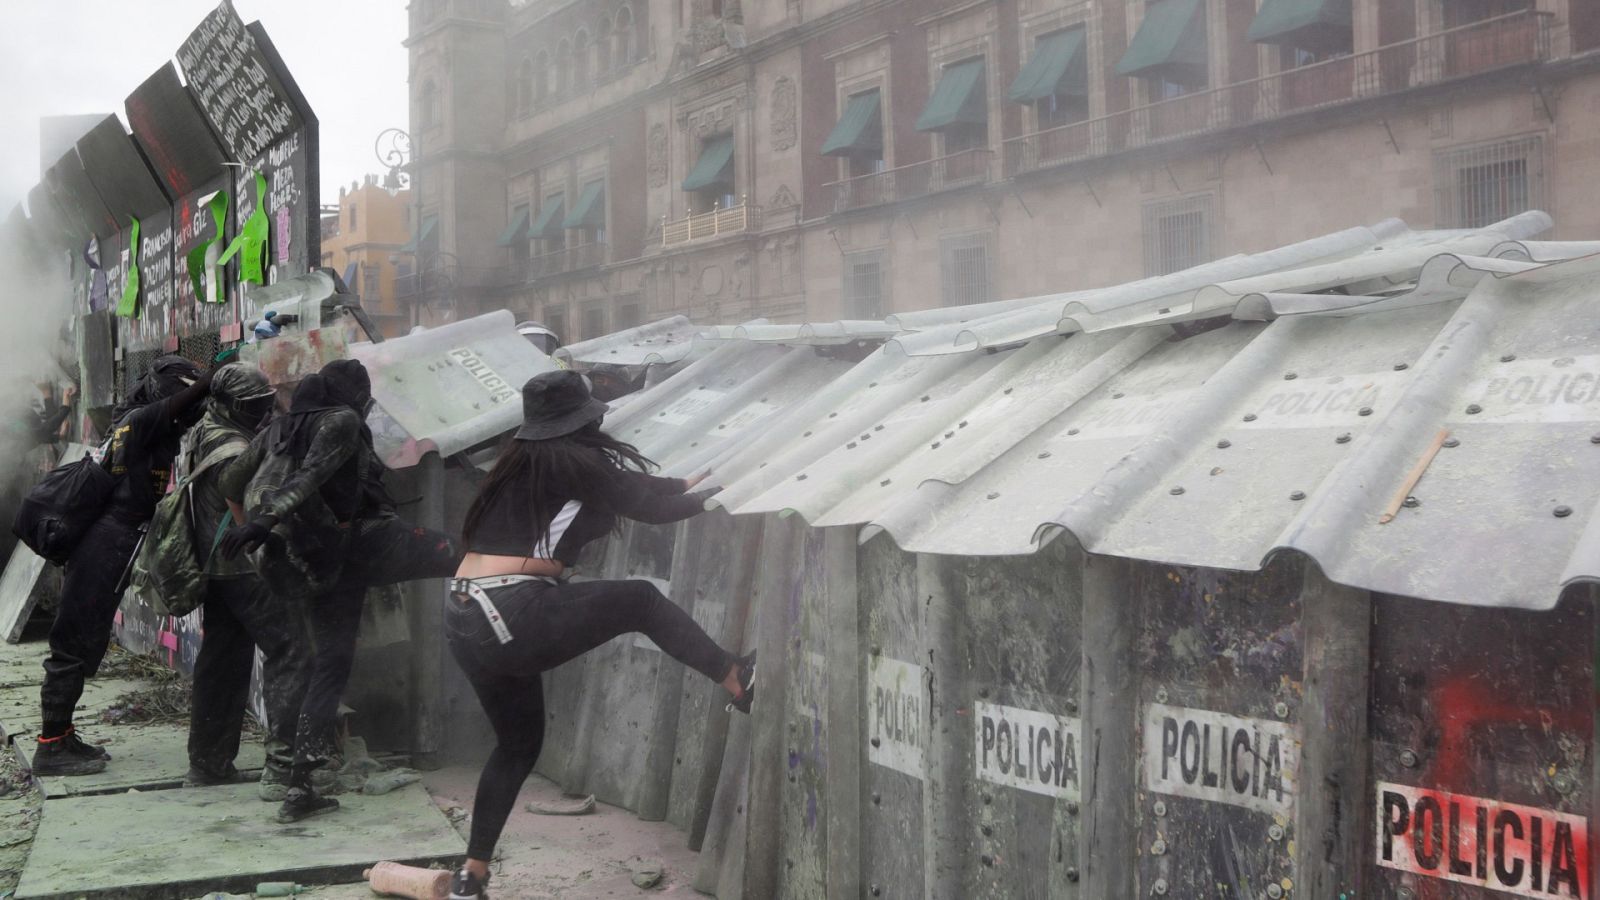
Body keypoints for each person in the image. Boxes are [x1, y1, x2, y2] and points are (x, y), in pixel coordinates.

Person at [442, 370, 756, 900]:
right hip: (509, 609)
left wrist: (684, 483)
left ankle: (471, 876)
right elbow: (651, 509)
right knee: (639, 600)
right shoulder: (573, 463)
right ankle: (738, 680)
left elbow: (634, 491)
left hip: (463, 611)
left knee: (517, 745)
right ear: (584, 418)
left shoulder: (523, 462)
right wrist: (721, 493)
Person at [217, 358, 460, 822]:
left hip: (313, 564)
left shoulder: (279, 427)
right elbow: (310, 478)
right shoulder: (342, 420)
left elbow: (229, 482)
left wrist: (258, 530)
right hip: (358, 545)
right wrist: (266, 522)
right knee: (462, 553)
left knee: (329, 664)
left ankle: (301, 786)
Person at [34, 355, 211, 777]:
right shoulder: (141, 418)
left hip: (115, 539)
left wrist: (220, 370)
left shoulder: (153, 423)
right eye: (181, 396)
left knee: (86, 639)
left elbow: (188, 410)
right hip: (105, 539)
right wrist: (210, 380)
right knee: (73, 640)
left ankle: (62, 733)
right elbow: (176, 405)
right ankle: (51, 746)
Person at [182, 364, 313, 792]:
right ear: (233, 405)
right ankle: (285, 765)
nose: (262, 412)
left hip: (217, 565)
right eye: (254, 406)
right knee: (291, 650)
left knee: (221, 662)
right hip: (242, 566)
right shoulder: (231, 445)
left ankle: (208, 762)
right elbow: (251, 503)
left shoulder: (204, 428)